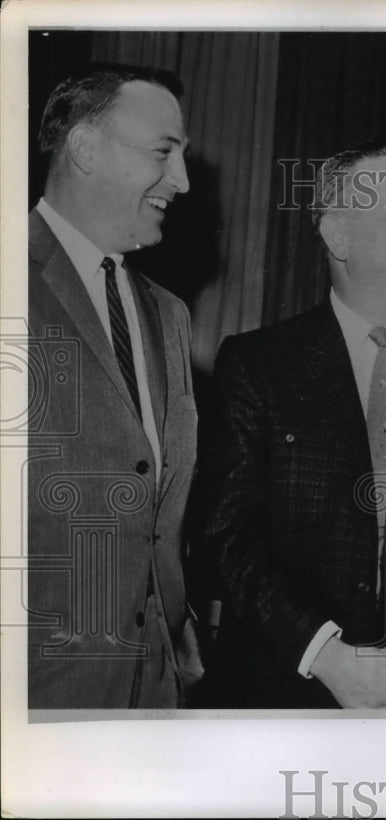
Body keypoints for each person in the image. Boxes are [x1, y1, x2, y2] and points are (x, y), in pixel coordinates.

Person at [199, 142, 386, 708]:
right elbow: (223, 536)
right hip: (280, 698)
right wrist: (328, 655)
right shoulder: (258, 365)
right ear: (338, 237)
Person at [27, 63, 200, 708]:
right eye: (164, 152)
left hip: (153, 687)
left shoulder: (169, 315)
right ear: (84, 148)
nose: (181, 182)